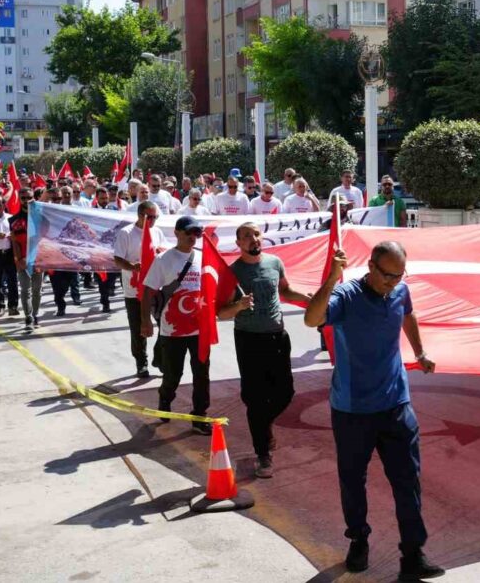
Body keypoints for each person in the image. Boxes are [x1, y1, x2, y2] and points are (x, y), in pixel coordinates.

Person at [304, 241, 443, 580]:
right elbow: (311, 319)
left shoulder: (400, 291)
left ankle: (413, 554)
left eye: (399, 275)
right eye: (386, 276)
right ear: (370, 266)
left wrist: (420, 352)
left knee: (407, 482)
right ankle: (358, 540)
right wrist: (333, 276)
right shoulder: (347, 296)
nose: (392, 282)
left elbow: (407, 313)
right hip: (353, 409)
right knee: (353, 481)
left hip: (396, 404)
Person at [218, 222, 311, 478]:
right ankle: (263, 455)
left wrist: (309, 299)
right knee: (255, 399)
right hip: (249, 340)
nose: (253, 239)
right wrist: (238, 306)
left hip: (277, 337)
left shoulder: (274, 262)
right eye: (246, 236)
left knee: (285, 392)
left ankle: (264, 424)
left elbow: (286, 291)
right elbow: (221, 313)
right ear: (238, 244)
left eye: (256, 234)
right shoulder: (233, 272)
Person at [142, 215, 211, 435]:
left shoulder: (203, 258)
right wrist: (145, 322)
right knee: (174, 374)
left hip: (199, 329)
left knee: (202, 374)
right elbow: (148, 292)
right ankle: (165, 399)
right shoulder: (164, 260)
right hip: (172, 330)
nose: (193, 237)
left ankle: (200, 415)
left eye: (197, 233)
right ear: (177, 233)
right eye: (189, 232)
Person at [113, 202, 165, 378]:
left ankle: (159, 357)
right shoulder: (126, 233)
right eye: (149, 217)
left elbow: (164, 252)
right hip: (133, 290)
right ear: (140, 215)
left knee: (165, 324)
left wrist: (160, 253)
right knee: (138, 329)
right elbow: (118, 259)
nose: (152, 221)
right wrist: (132, 266)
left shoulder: (157, 232)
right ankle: (141, 362)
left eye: (155, 217)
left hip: (155, 288)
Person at [11, 188, 42, 331]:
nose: (26, 200)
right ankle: (28, 317)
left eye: (28, 197)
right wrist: (19, 258)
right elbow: (14, 242)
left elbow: (45, 239)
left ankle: (35, 314)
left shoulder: (41, 217)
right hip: (22, 260)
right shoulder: (13, 220)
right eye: (22, 197)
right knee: (25, 290)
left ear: (33, 198)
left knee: (37, 290)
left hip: (38, 259)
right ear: (19, 199)